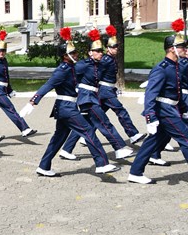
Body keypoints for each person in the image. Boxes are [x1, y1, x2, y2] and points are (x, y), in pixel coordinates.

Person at [23, 28, 119, 177]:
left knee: (58, 139)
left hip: (66, 107)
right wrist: (33, 101)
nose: (76, 55)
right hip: (66, 108)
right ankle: (102, 164)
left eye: (75, 52)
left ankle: (44, 166)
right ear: (65, 56)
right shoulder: (62, 70)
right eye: (72, 53)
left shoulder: (72, 68)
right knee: (88, 131)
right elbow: (48, 85)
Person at [57, 29, 134, 161]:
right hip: (87, 98)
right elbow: (69, 75)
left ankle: (66, 149)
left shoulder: (97, 64)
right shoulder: (83, 65)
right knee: (104, 123)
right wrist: (74, 90)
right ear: (90, 53)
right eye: (97, 51)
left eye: (101, 51)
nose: (100, 53)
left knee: (86, 124)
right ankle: (119, 148)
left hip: (93, 97)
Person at [127, 19, 188, 184]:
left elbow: (176, 91)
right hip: (165, 110)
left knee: (152, 142)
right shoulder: (161, 68)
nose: (185, 49)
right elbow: (150, 94)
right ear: (172, 49)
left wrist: (183, 108)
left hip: (171, 108)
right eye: (182, 46)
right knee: (185, 137)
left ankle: (135, 172)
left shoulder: (175, 66)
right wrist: (150, 117)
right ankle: (136, 172)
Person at [0, 30, 37, 138]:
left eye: (3, 50)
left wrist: (10, 90)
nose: (1, 52)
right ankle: (24, 128)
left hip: (1, 90)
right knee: (10, 108)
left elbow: (6, 78)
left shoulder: (4, 61)